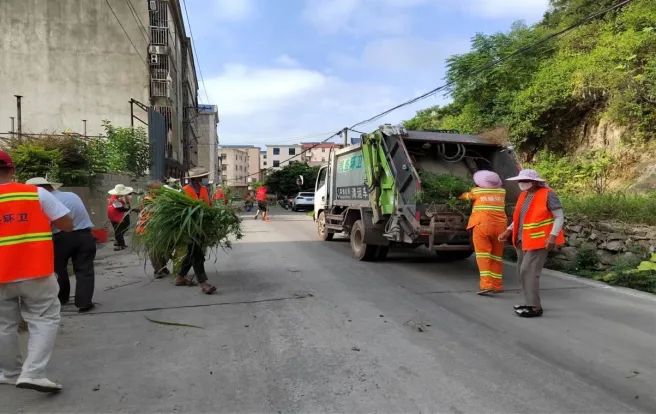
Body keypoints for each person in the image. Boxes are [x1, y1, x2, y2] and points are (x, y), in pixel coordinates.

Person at [0, 150, 73, 393]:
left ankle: (10, 374)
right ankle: (33, 373)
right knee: (43, 319)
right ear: (11, 170)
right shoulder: (35, 193)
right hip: (36, 270)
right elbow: (66, 223)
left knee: (3, 325)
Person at [499, 169, 565, 318]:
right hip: (523, 240)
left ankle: (535, 307)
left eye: (525, 180)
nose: (521, 183)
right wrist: (508, 230)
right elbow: (521, 217)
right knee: (522, 272)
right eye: (520, 181)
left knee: (528, 271)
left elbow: (559, 217)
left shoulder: (548, 194)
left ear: (535, 181)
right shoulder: (524, 195)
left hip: (540, 240)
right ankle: (529, 302)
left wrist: (552, 236)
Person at [26, 177, 96, 312]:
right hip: (85, 236)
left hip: (61, 238)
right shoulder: (72, 195)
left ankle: (61, 298)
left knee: (59, 269)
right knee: (84, 270)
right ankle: (84, 303)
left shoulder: (42, 200)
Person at [459, 170, 507, 295]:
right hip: (501, 228)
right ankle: (497, 285)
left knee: (483, 255)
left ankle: (486, 284)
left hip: (482, 226)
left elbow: (465, 196)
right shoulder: (502, 192)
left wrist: (461, 195)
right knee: (496, 256)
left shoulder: (477, 191)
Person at [177, 167, 217, 295]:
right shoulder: (184, 191)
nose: (204, 178)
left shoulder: (204, 189)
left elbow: (209, 205)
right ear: (196, 178)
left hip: (202, 225)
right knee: (197, 254)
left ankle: (180, 277)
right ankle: (203, 283)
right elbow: (179, 209)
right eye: (203, 176)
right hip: (190, 226)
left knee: (191, 253)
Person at [135, 181, 170, 278]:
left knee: (166, 249)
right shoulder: (147, 199)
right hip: (148, 228)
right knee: (153, 250)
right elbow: (154, 211)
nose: (160, 191)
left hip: (161, 227)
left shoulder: (162, 198)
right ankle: (158, 270)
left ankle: (162, 266)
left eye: (160, 189)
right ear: (150, 190)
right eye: (157, 189)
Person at [107, 184, 133, 251]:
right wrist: (131, 209)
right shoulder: (114, 199)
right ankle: (121, 244)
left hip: (115, 215)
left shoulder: (118, 197)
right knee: (118, 230)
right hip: (115, 216)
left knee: (122, 229)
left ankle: (118, 241)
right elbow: (121, 209)